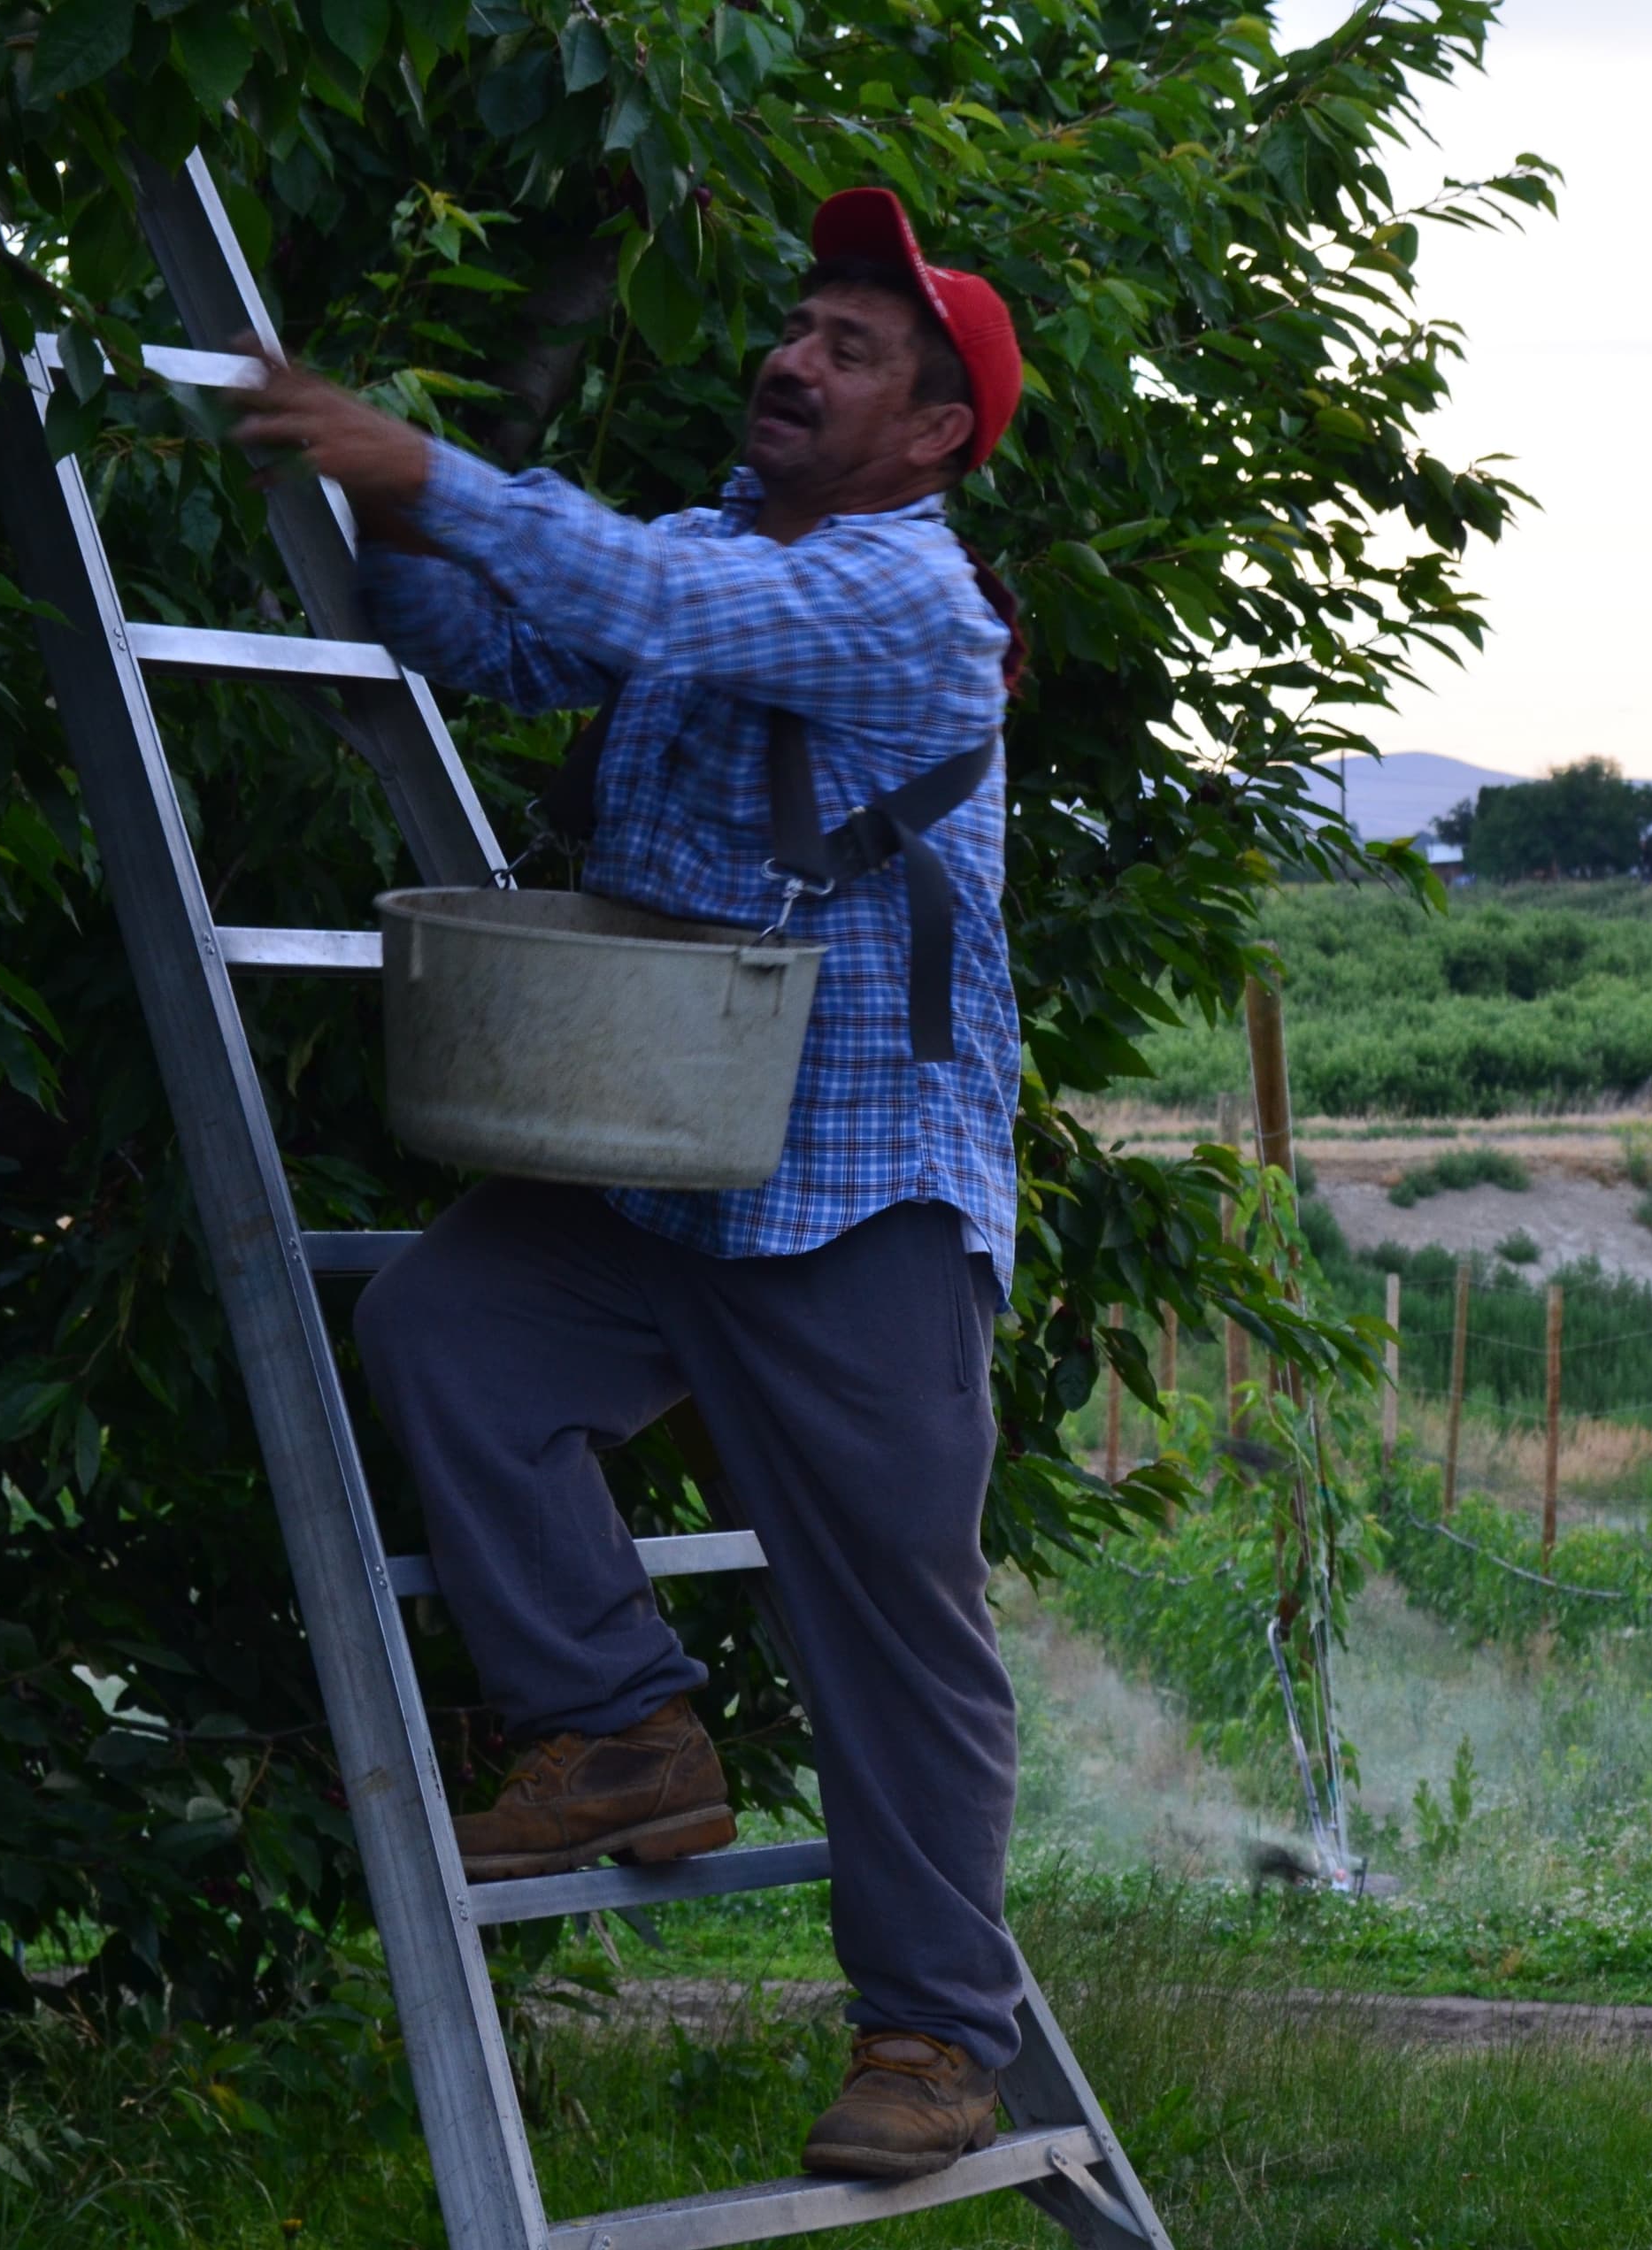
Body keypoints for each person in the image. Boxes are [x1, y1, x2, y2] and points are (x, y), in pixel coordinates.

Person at [227, 188, 1029, 2183]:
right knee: (448, 1334)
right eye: (800, 327)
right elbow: (501, 636)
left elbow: (653, 616)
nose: (794, 358)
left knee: (892, 1640)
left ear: (934, 434)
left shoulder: (906, 596)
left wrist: (427, 461)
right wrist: (408, 520)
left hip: (855, 1191)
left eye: (854, 351)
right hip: (663, 1153)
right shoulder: (717, 542)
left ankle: (932, 2040)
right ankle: (620, 1727)